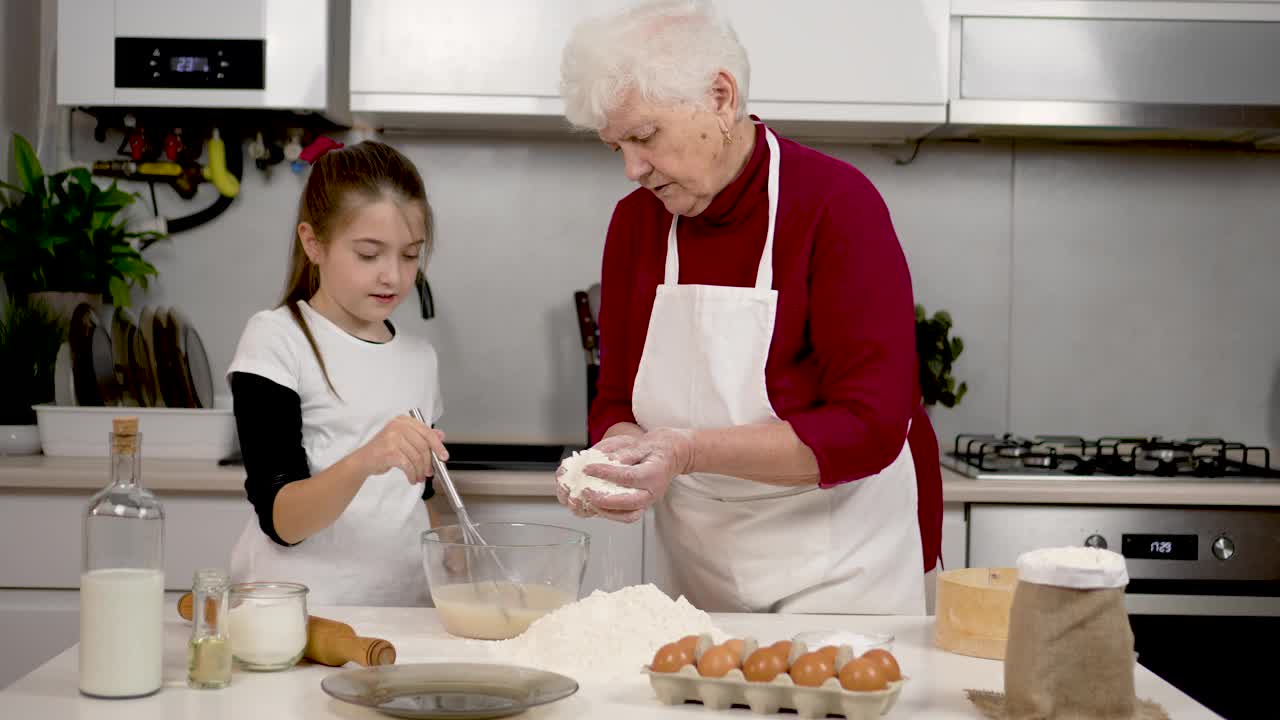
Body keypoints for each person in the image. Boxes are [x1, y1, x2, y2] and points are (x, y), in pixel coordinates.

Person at [554, 0, 943, 615]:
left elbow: (870, 427)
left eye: (645, 136)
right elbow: (618, 401)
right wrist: (614, 459)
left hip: (843, 570)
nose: (632, 169)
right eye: (615, 147)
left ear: (720, 96)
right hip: (697, 572)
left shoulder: (837, 206)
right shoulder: (637, 225)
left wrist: (684, 451)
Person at [225, 140, 448, 606]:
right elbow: (282, 522)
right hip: (297, 618)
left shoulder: (420, 359)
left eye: (410, 255)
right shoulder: (276, 340)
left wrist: (464, 563)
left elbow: (423, 496)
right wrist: (367, 459)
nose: (393, 276)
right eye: (369, 254)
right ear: (313, 243)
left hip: (406, 612)